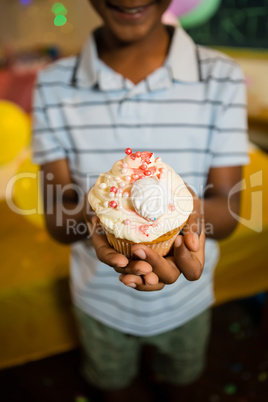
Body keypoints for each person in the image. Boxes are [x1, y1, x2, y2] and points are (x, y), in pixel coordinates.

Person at [32, 1, 249, 401]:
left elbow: (229, 213)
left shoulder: (221, 76)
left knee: (184, 384)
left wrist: (178, 211)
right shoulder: (52, 83)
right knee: (114, 387)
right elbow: (58, 219)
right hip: (99, 301)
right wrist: (103, 212)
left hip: (189, 301)